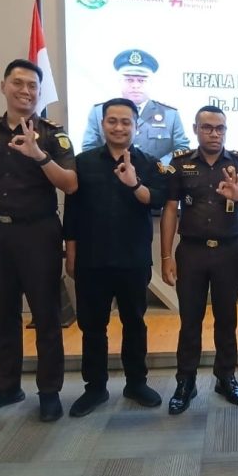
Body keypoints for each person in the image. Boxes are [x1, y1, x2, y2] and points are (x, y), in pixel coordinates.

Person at [0, 59, 78, 422]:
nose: (26, 91)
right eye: (19, 83)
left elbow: (70, 184)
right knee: (2, 314)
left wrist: (38, 154)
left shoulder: (52, 135)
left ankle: (49, 391)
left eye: (33, 86)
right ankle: (7, 386)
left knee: (46, 316)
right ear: (3, 86)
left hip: (37, 234)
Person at [63, 98, 169, 417]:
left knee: (134, 324)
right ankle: (95, 388)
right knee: (92, 327)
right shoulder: (82, 163)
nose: (119, 127)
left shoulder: (149, 163)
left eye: (126, 122)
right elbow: (72, 212)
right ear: (102, 124)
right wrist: (71, 254)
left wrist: (134, 183)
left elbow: (156, 200)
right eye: (113, 121)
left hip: (132, 260)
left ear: (137, 127)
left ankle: (136, 383)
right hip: (91, 261)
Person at [161, 105, 238, 414]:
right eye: (207, 128)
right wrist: (166, 255)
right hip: (190, 252)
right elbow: (169, 210)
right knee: (190, 320)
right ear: (195, 129)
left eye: (220, 128)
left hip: (228, 252)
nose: (214, 133)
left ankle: (225, 377)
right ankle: (185, 381)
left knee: (226, 318)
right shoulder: (179, 164)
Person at [82, 49, 189, 161]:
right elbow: (89, 147)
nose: (135, 85)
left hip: (157, 176)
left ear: (151, 83)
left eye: (141, 80)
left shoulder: (170, 115)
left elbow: (182, 148)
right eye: (129, 80)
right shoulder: (99, 112)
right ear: (120, 81)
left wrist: (158, 166)